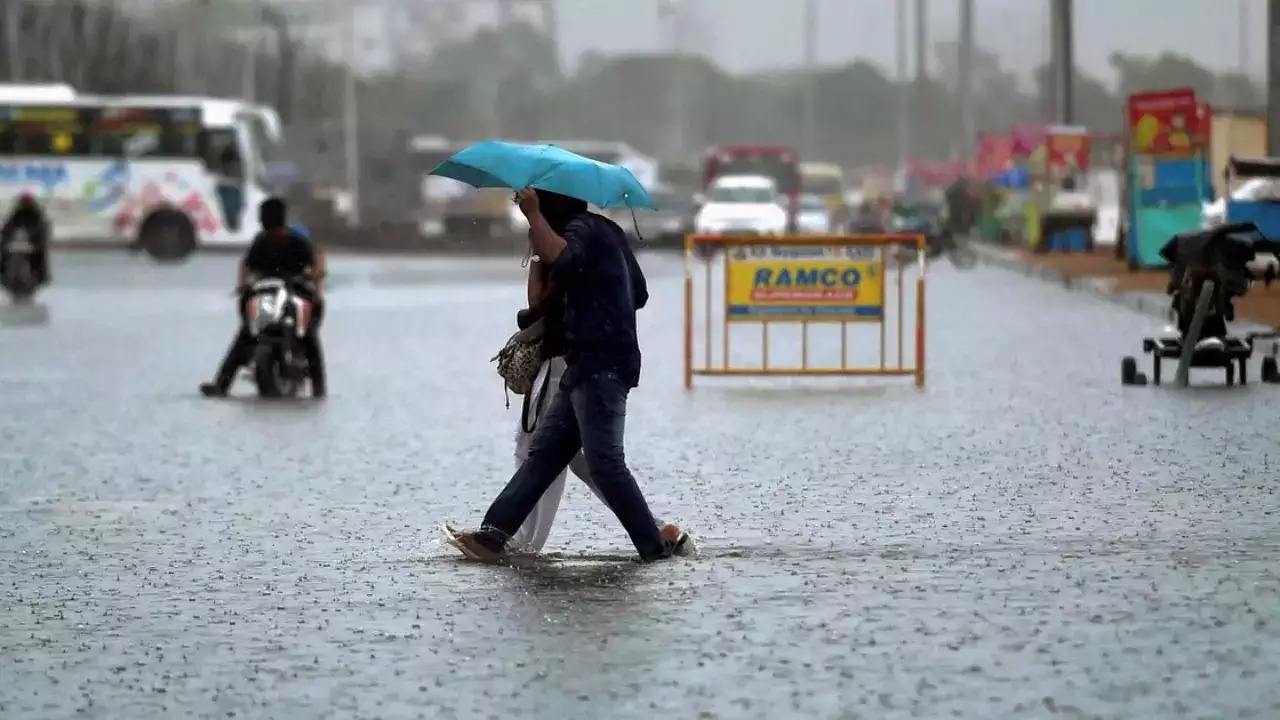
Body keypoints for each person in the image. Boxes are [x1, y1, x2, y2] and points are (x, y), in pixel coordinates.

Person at [447, 188, 690, 563]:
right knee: (544, 454)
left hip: (601, 364)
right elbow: (638, 293)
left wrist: (534, 218)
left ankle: (656, 546)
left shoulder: (583, 232)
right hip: (585, 364)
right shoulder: (605, 231)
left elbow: (563, 258)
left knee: (604, 463)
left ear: (550, 206)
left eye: (535, 204)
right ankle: (492, 537)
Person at [505, 244, 693, 555]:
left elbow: (536, 304)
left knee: (537, 449)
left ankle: (519, 541)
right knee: (582, 458)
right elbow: (638, 293)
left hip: (566, 363)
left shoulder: (562, 243)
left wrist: (537, 255)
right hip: (582, 359)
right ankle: (657, 528)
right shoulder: (596, 240)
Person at [199, 198, 327, 397]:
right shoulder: (261, 240)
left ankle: (319, 388)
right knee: (246, 332)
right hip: (266, 291)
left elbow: (317, 259)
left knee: (308, 335)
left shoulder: (297, 241)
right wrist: (243, 285)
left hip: (296, 291)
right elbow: (246, 265)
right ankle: (221, 385)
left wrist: (316, 277)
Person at [0, 192, 51, 286]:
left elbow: (43, 231)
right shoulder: (17, 214)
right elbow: (7, 229)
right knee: (4, 253)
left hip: (33, 244)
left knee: (41, 254)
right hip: (16, 244)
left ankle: (42, 276)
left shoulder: (37, 216)